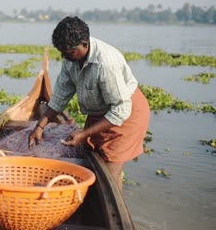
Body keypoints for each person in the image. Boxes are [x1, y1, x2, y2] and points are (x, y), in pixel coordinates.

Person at [28, 16, 150, 191]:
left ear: (84, 45)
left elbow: (121, 110)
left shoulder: (105, 63)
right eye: (61, 51)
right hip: (101, 113)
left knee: (109, 173)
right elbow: (61, 95)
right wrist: (40, 125)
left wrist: (84, 133)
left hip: (126, 114)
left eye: (68, 52)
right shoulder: (71, 58)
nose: (64, 56)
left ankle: (113, 211)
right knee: (93, 160)